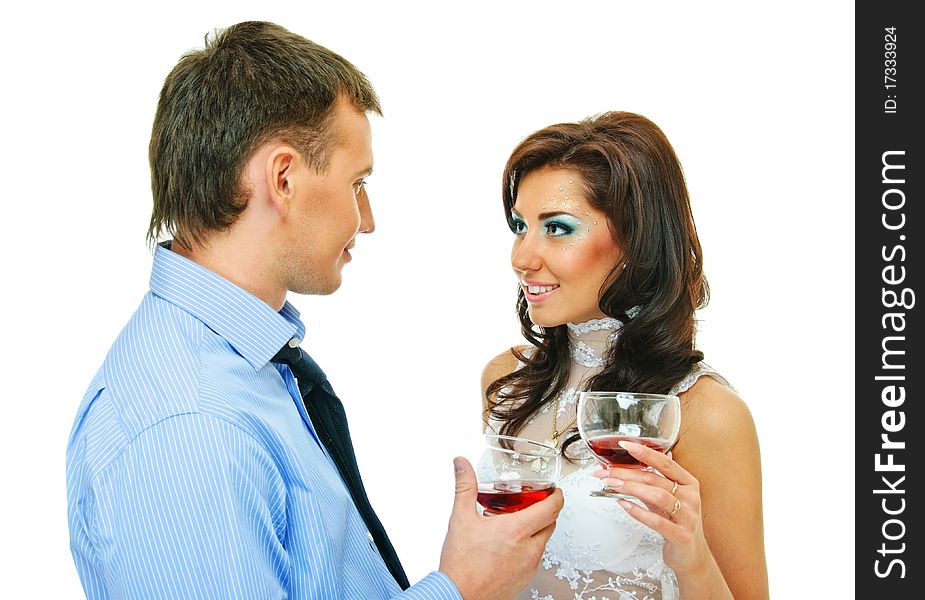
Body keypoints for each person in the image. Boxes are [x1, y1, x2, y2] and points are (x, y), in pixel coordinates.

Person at [66, 21, 562, 600]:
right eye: (357, 183)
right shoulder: (192, 427)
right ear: (283, 179)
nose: (367, 218)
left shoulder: (242, 365)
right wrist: (462, 590)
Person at [481, 112, 769, 599]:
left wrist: (691, 555)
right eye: (520, 225)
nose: (521, 257)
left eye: (557, 228)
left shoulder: (705, 414)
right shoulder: (508, 380)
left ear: (637, 240)